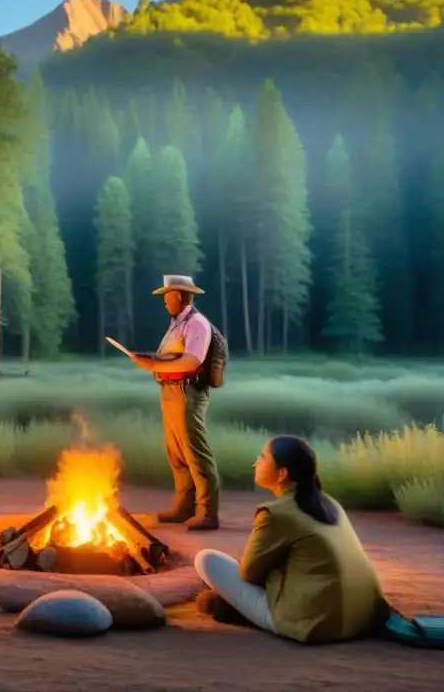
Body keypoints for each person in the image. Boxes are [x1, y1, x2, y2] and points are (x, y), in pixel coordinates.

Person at [194, 435, 390, 644]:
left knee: (206, 559)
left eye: (263, 458)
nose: (256, 462)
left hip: (315, 623)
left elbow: (249, 574)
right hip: (364, 615)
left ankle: (242, 611)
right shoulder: (329, 503)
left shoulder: (276, 513)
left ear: (282, 473)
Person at [129, 274, 220, 531]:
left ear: (179, 297)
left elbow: (192, 361)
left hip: (186, 391)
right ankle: (184, 507)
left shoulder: (197, 324)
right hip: (169, 390)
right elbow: (171, 356)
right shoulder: (177, 324)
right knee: (176, 452)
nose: (165, 303)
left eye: (167, 297)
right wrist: (150, 360)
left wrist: (155, 363)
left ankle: (208, 512)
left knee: (194, 451)